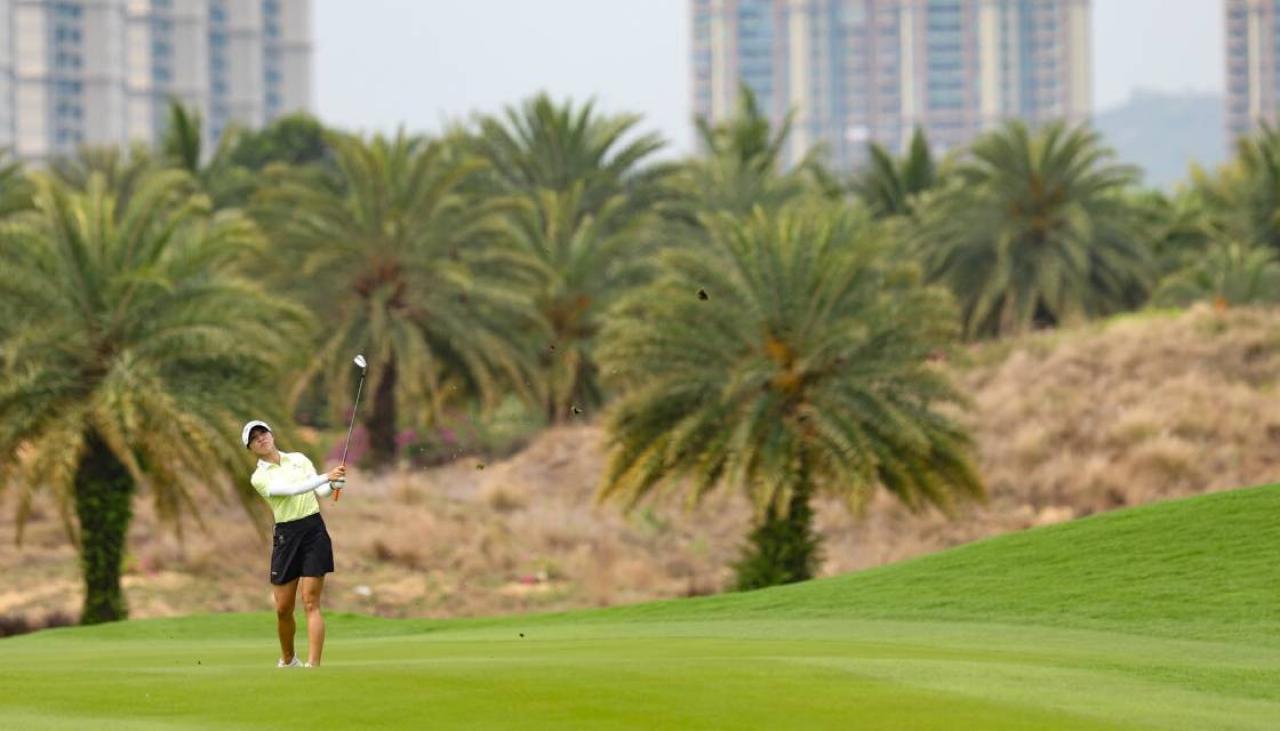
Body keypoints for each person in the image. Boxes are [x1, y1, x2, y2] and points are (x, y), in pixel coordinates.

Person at [242, 419, 345, 669]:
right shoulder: (259, 477)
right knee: (283, 609)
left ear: (271, 434)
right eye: (254, 438)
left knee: (311, 601)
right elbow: (290, 490)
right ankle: (288, 659)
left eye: (263, 433)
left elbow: (320, 493)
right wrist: (325, 477)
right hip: (287, 537)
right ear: (251, 448)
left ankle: (314, 665)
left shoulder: (299, 459)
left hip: (314, 531)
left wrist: (334, 484)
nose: (261, 439)